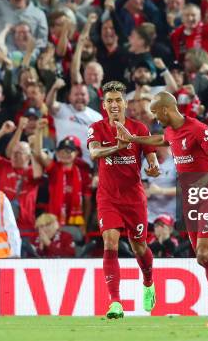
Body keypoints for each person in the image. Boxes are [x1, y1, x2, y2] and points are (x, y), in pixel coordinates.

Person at [115, 91, 208, 327]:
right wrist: (133, 139)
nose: (156, 119)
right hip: (189, 199)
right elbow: (161, 140)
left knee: (205, 254)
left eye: (156, 113)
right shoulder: (171, 130)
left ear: (166, 110)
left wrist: (202, 183)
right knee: (203, 258)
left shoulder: (197, 128)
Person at [86, 81, 159, 319]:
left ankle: (148, 283)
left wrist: (154, 168)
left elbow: (152, 161)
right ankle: (115, 302)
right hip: (108, 197)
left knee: (139, 246)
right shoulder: (96, 128)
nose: (114, 104)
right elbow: (95, 153)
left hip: (134, 198)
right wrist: (118, 147)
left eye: (118, 100)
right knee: (110, 242)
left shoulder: (140, 128)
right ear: (104, 105)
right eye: (110, 101)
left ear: (125, 103)